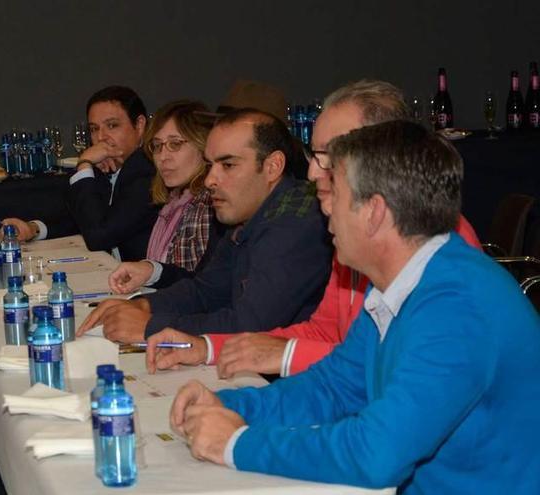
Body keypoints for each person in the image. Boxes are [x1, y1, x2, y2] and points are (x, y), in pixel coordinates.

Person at [170, 120, 540, 493]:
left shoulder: (457, 307)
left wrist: (235, 444)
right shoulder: (402, 282)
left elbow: (376, 454)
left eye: (335, 194)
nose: (324, 207)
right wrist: (230, 405)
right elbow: (336, 387)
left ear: (374, 212)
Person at [145, 80, 481, 377]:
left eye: (329, 154)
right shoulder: (354, 235)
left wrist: (278, 363)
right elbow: (327, 335)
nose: (310, 172)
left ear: (387, 154)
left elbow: (385, 379)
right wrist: (211, 348)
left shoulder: (438, 250)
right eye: (313, 153)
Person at [78, 108, 332, 343]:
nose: (210, 179)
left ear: (272, 166)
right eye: (210, 165)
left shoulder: (295, 224)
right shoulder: (248, 211)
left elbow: (251, 326)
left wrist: (150, 325)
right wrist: (143, 305)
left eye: (228, 165)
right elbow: (206, 290)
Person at [3, 86, 159, 261]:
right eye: (94, 129)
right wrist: (32, 229)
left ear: (139, 126)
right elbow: (81, 219)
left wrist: (84, 165)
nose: (101, 137)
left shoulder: (148, 171)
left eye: (112, 125)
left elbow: (99, 237)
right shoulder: (108, 166)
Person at [108, 100, 225, 293]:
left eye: (175, 144)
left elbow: (196, 290)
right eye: (157, 146)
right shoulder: (176, 200)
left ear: (204, 146)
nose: (163, 157)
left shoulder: (204, 205)